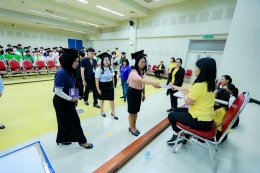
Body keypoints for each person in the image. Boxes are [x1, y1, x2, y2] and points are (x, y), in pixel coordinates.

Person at [167, 57, 216, 145]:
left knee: (171, 115)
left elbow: (187, 102)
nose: (195, 69)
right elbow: (193, 93)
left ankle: (180, 135)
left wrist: (185, 93)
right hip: (206, 118)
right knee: (176, 110)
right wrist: (179, 88)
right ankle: (185, 134)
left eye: (196, 67)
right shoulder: (209, 84)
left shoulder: (199, 85)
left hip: (200, 120)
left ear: (202, 70)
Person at [53, 48, 93, 149]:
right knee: (74, 121)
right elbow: (57, 91)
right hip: (61, 101)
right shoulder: (61, 73)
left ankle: (63, 139)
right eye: (75, 61)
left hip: (68, 100)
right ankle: (82, 141)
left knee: (63, 121)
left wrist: (74, 98)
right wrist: (71, 99)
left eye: (77, 61)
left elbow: (73, 86)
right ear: (68, 61)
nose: (77, 63)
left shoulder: (70, 71)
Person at [127, 50, 161, 136]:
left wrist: (143, 93)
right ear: (136, 62)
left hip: (138, 92)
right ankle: (131, 128)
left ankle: (134, 126)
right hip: (132, 93)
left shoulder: (142, 71)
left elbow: (142, 84)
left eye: (144, 62)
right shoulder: (133, 72)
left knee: (136, 111)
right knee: (132, 112)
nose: (143, 64)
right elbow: (142, 80)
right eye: (141, 62)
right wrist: (154, 83)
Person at [95, 52, 118, 120]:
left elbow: (113, 77)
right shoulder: (99, 69)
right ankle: (102, 111)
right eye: (105, 60)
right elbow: (96, 79)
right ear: (102, 61)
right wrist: (98, 89)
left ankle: (113, 112)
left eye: (108, 60)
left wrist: (113, 85)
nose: (107, 61)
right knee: (102, 100)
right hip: (102, 86)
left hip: (110, 85)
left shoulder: (110, 68)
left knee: (112, 100)